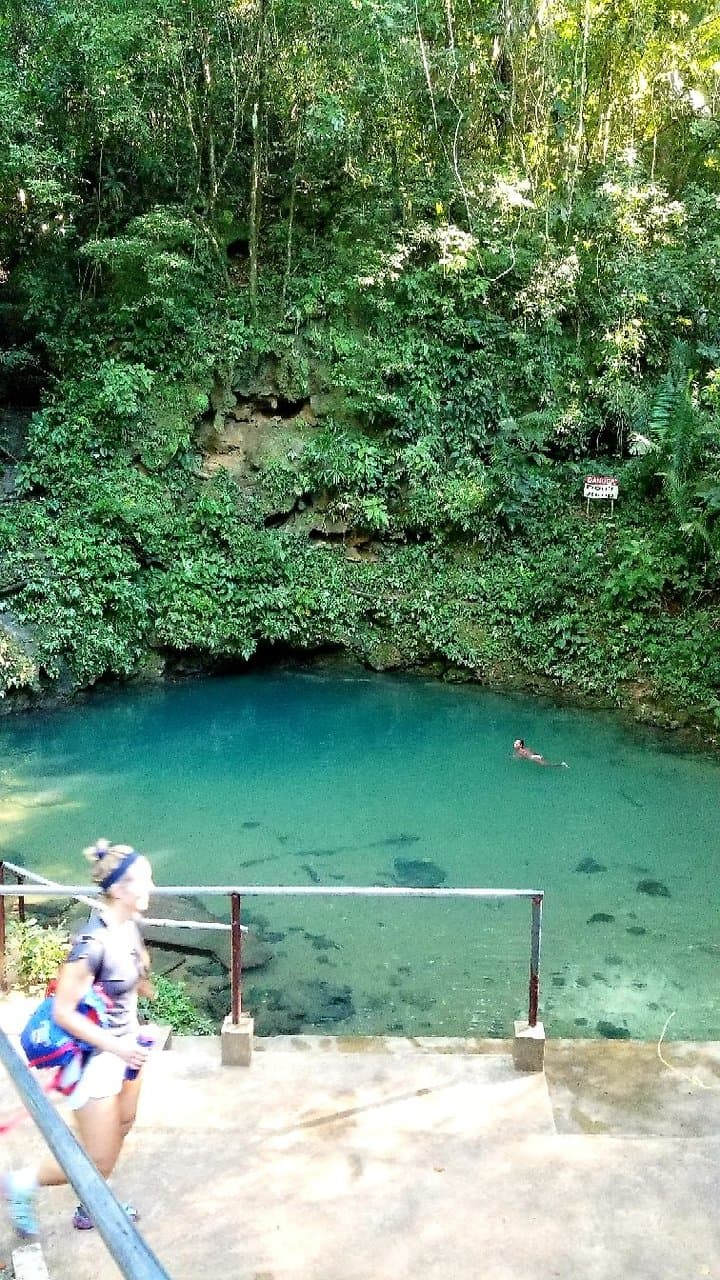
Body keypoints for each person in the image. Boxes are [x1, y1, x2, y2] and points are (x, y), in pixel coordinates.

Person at [3, 839, 156, 1239]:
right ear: (120, 890)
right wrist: (116, 1045)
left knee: (124, 1123)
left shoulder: (130, 925)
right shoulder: (91, 943)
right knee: (98, 1156)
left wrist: (136, 1029)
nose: (152, 888)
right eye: (145, 881)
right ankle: (23, 1182)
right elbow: (63, 1011)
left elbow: (132, 981)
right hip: (97, 1057)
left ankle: (93, 1204)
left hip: (129, 1046)